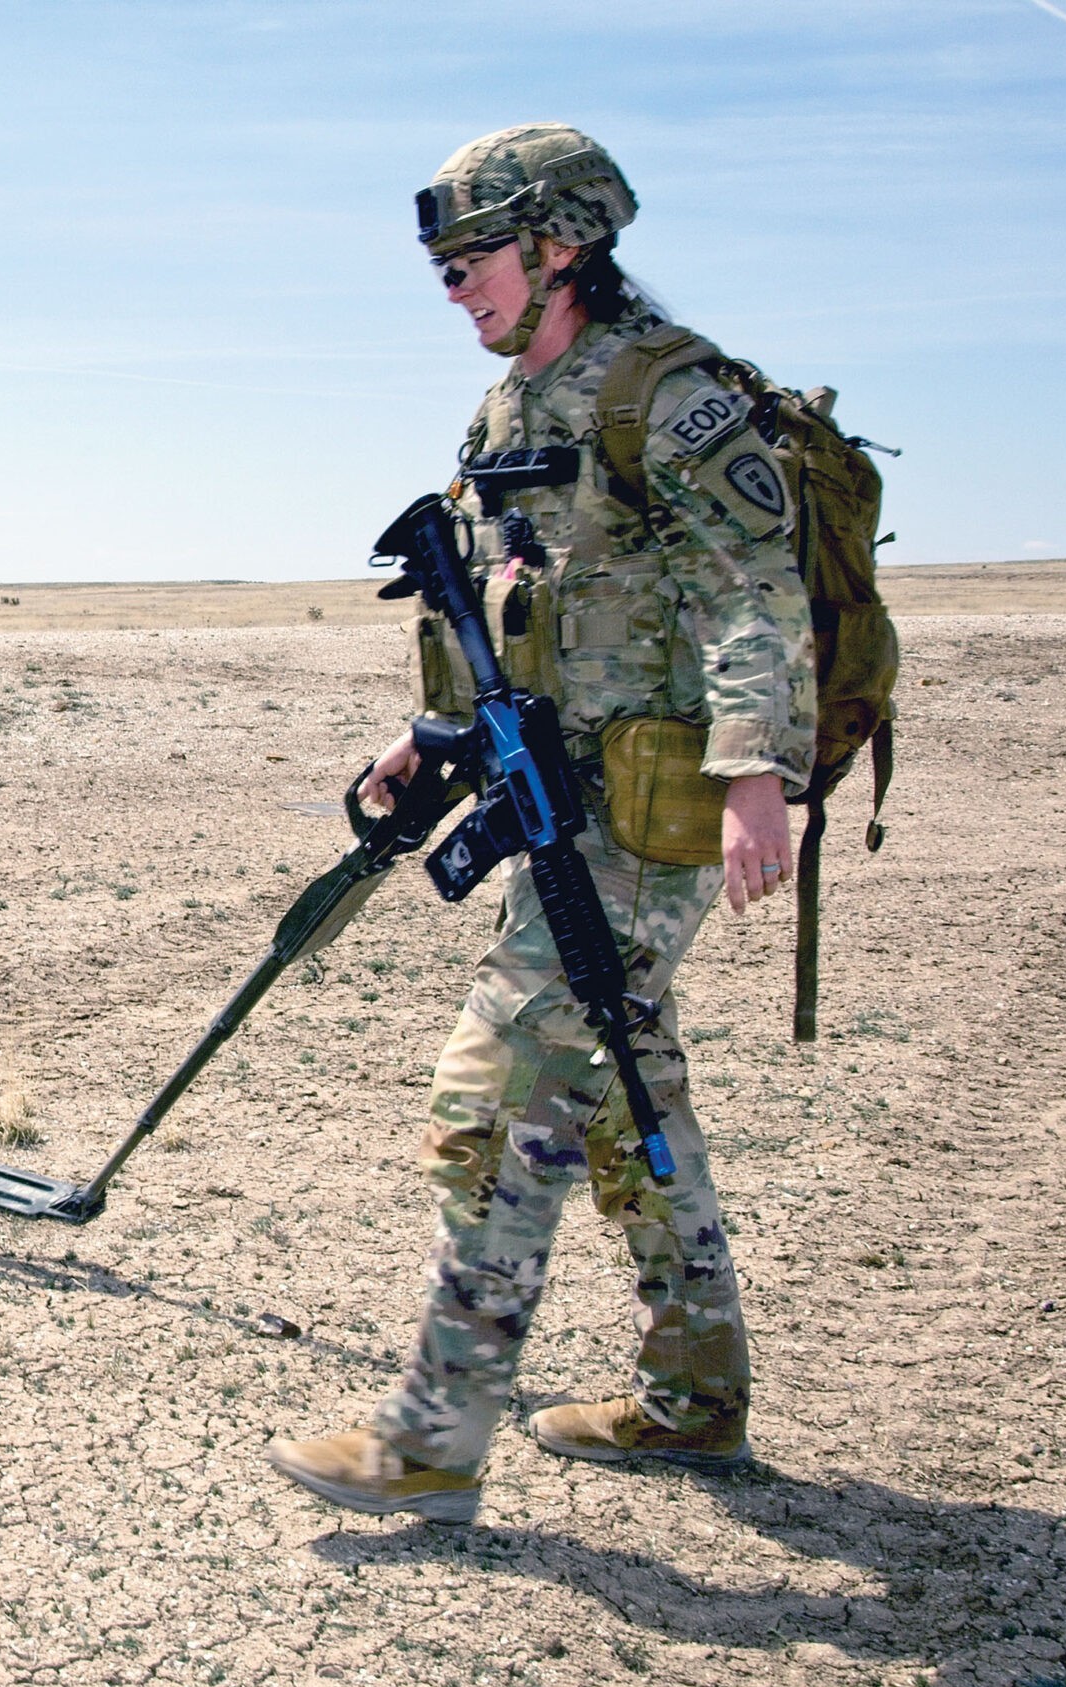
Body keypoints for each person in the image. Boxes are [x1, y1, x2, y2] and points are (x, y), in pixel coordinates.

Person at [264, 124, 818, 1524]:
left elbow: (758, 583)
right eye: (442, 269)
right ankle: (698, 1399)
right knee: (632, 1097)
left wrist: (760, 765)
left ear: (560, 242)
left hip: (649, 803)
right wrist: (428, 732)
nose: (455, 289)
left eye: (472, 261)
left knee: (502, 1094)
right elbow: (494, 597)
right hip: (553, 801)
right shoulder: (510, 410)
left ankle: (435, 1433)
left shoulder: (663, 393)